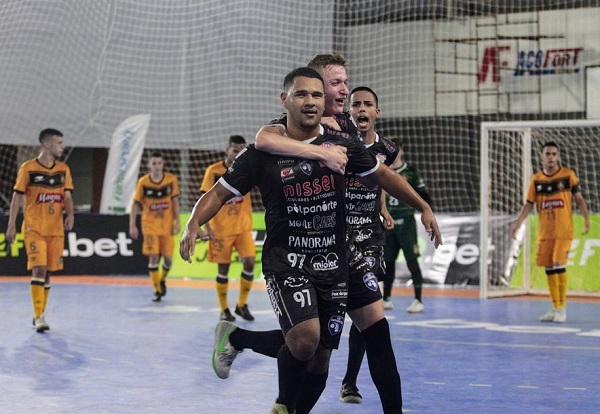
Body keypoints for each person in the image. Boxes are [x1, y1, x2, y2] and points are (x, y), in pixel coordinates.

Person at [181, 67, 441, 414]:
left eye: (317, 95)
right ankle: (254, 363)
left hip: (336, 260)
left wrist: (423, 206)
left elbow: (381, 175)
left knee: (322, 357)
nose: (311, 101)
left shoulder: (344, 143)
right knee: (305, 341)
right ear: (284, 99)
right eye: (303, 94)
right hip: (288, 260)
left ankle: (281, 398)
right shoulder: (264, 151)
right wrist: (193, 222)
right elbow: (219, 192)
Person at [510, 141, 589, 323]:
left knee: (557, 262)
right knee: (549, 267)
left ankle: (562, 308)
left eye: (554, 154)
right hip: (545, 232)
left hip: (563, 230)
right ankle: (555, 308)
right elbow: (529, 205)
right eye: (548, 154)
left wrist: (585, 219)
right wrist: (517, 224)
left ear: (558, 156)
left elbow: (579, 199)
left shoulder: (568, 176)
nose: (551, 157)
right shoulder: (536, 180)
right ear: (541, 156)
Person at [5, 128, 74, 332]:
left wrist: (70, 214)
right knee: (39, 269)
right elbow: (17, 197)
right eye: (59, 143)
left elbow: (67, 196)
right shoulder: (28, 168)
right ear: (47, 144)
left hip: (55, 230)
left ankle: (39, 314)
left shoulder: (63, 170)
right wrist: (12, 224)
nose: (62, 147)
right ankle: (39, 316)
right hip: (34, 227)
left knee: (48, 273)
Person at [200, 135, 256, 322]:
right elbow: (206, 200)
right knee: (223, 269)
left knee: (249, 262)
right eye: (234, 150)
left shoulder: (247, 168)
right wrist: (207, 227)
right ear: (227, 150)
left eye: (241, 150)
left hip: (243, 228)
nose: (237, 153)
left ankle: (241, 305)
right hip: (220, 230)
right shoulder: (213, 171)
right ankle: (224, 309)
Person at [380, 138, 432, 314]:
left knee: (411, 260)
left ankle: (418, 300)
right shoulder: (382, 171)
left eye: (396, 150)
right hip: (389, 222)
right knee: (387, 262)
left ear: (401, 151)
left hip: (406, 221)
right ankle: (386, 299)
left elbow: (424, 195)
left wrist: (426, 210)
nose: (393, 153)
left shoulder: (410, 172)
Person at [129, 151, 180, 302]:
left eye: (159, 163)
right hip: (149, 225)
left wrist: (177, 221)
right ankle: (157, 289)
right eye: (154, 163)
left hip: (166, 225)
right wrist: (132, 225)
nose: (157, 166)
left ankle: (162, 279)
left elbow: (175, 202)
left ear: (163, 165)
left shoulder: (171, 180)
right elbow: (135, 205)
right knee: (153, 256)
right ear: (149, 165)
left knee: (168, 260)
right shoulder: (143, 182)